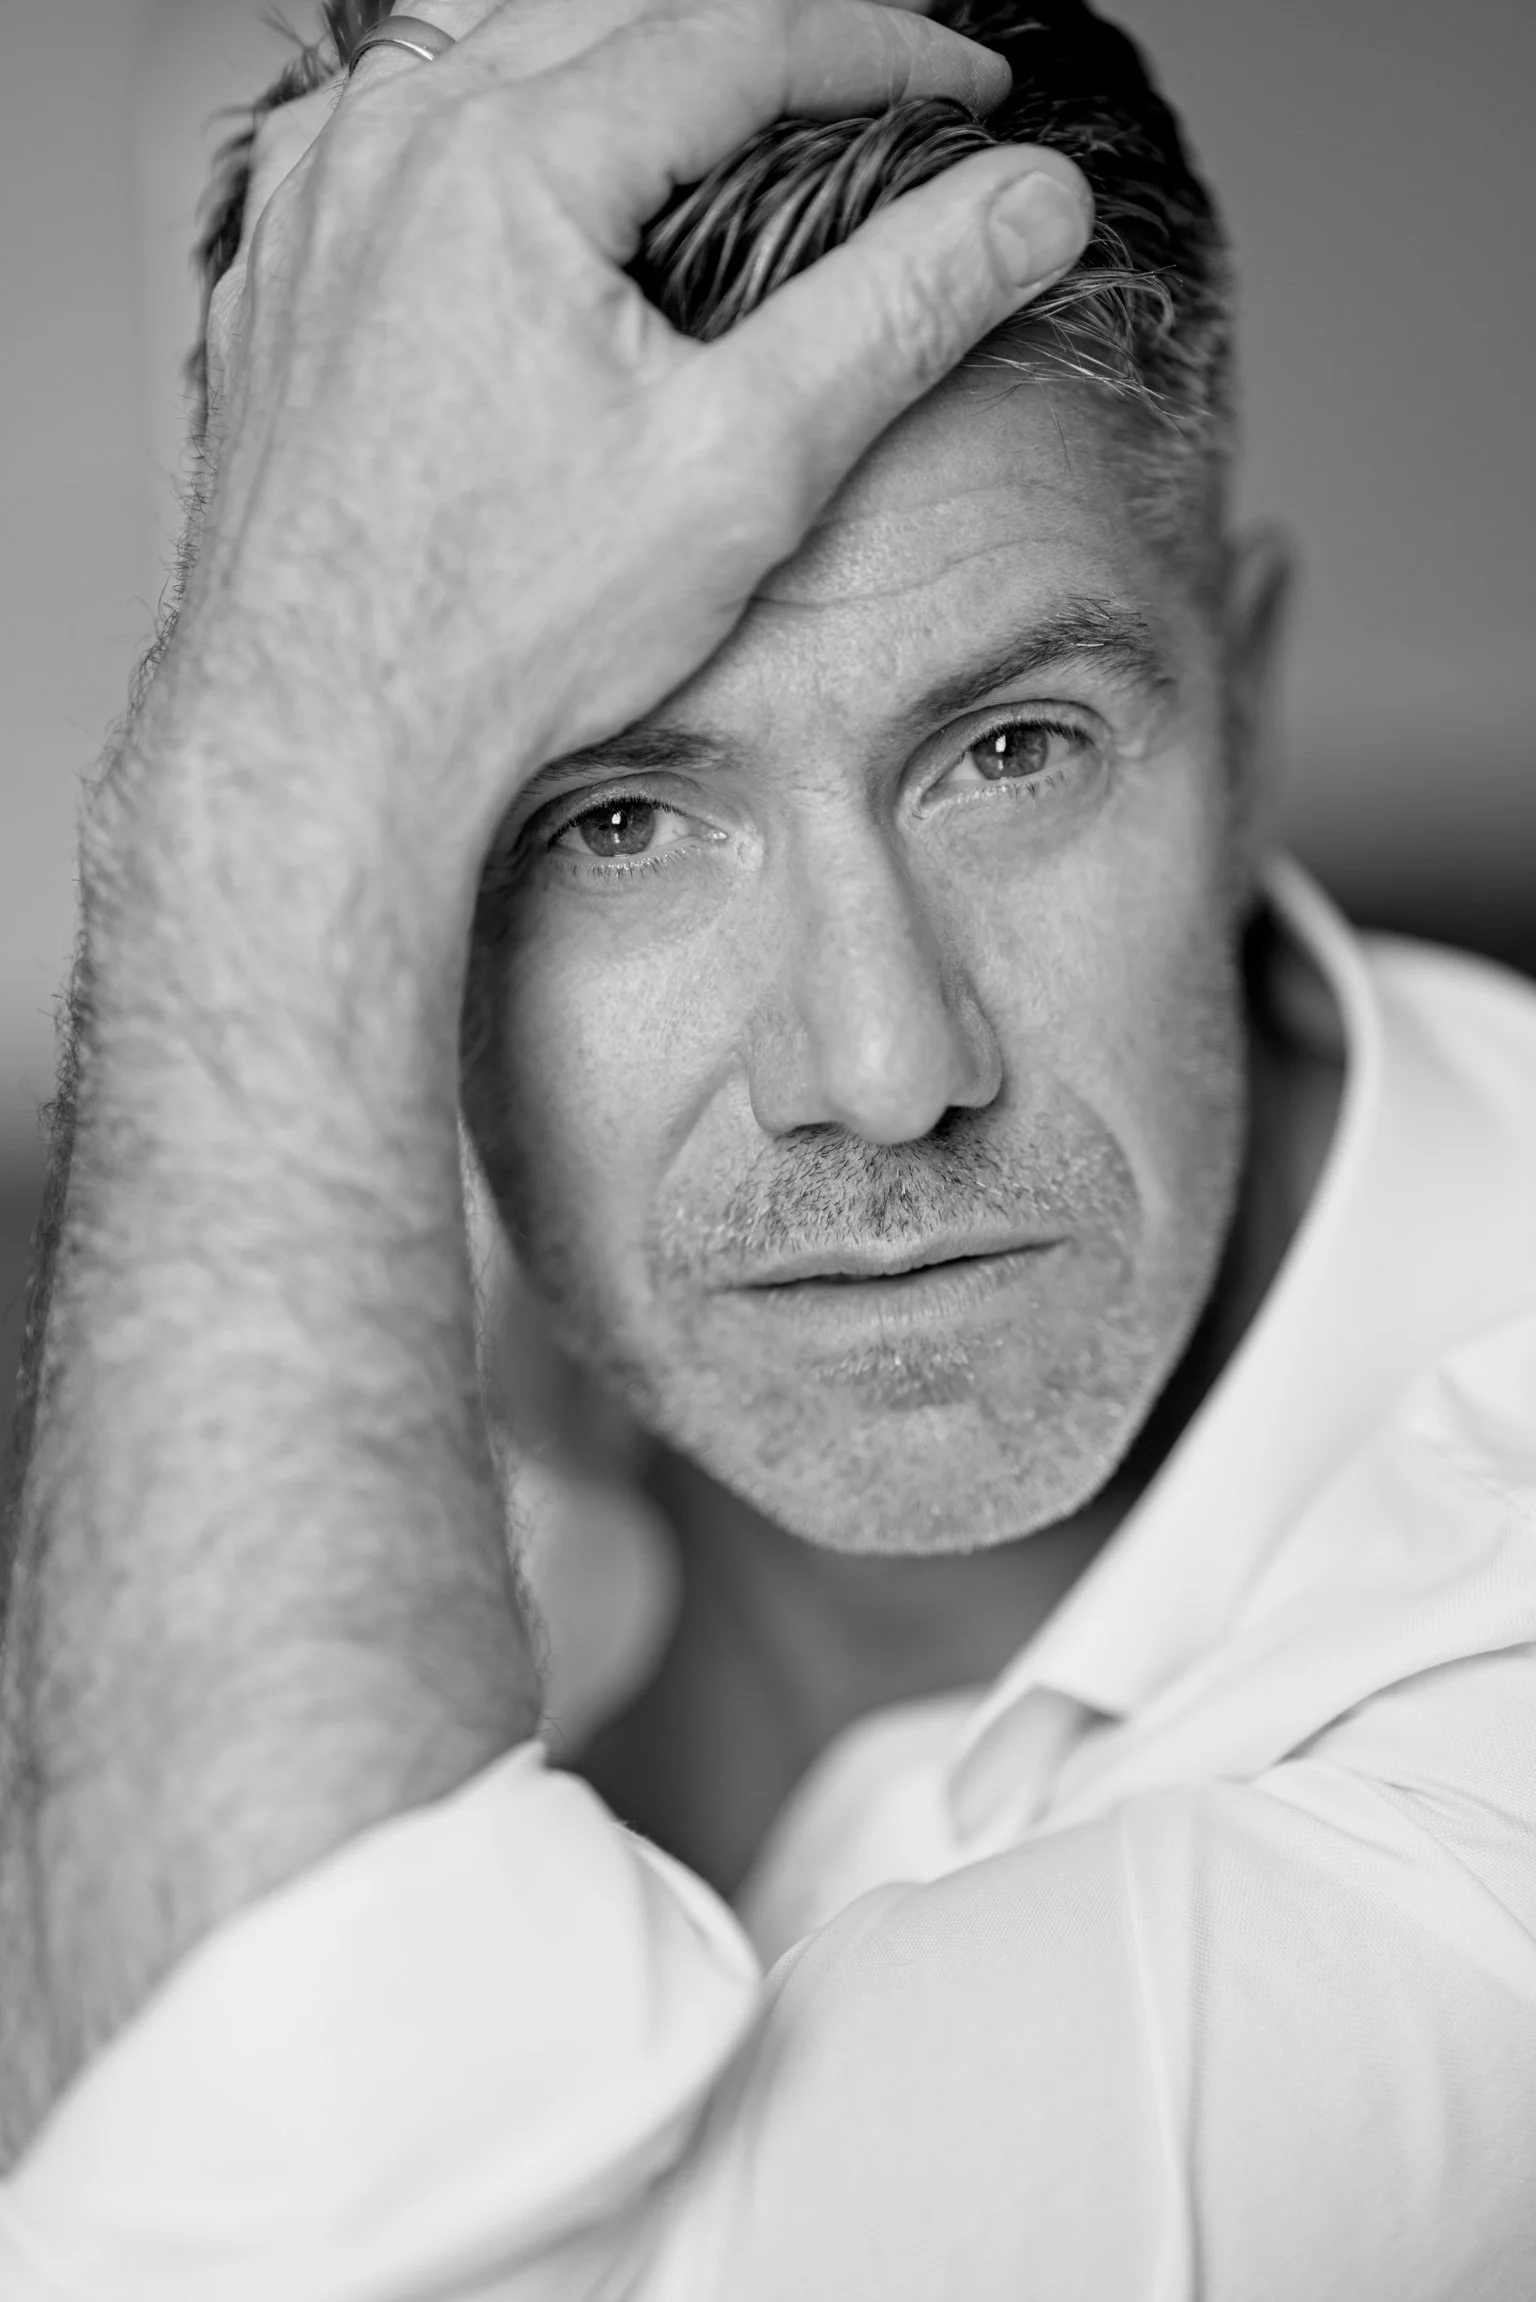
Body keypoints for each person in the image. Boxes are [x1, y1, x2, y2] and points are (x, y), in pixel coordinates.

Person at [1, 0, 1534, 2291]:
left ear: (1246, 720)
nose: (885, 1064)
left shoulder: (1488, 1759)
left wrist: (274, 746)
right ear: (423, 890)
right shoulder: (332, 1422)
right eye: (620, 818)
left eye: (1009, 752)